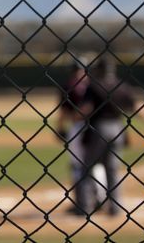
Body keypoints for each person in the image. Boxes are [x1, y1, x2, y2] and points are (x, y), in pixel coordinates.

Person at [75, 57, 144, 216]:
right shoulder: (122, 86)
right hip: (118, 129)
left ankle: (85, 207)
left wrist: (75, 116)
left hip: (98, 128)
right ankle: (115, 208)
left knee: (87, 168)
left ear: (99, 69)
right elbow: (136, 106)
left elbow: (86, 109)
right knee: (112, 169)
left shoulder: (93, 85)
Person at [57, 58, 107, 212]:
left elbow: (64, 112)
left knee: (78, 165)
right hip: (97, 127)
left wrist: (59, 128)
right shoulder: (96, 84)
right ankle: (100, 199)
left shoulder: (69, 87)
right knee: (96, 164)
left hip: (78, 128)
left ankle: (83, 201)